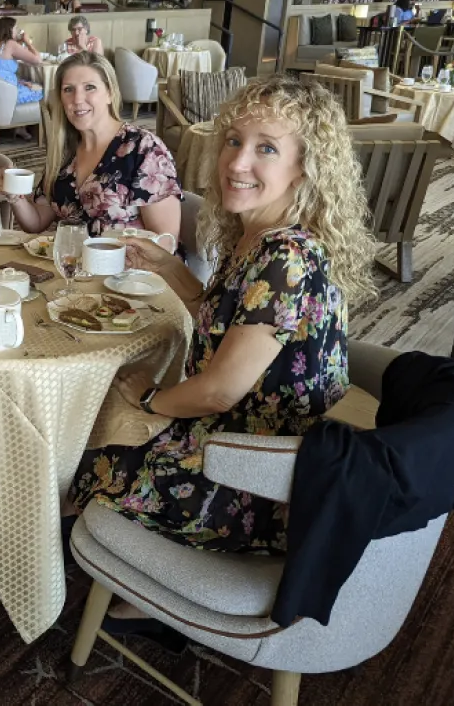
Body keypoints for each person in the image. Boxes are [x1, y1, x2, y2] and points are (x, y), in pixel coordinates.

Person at [67, 75, 378, 643]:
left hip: (259, 475)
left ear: (305, 168)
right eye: (233, 141)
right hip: (248, 439)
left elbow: (219, 391)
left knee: (93, 441)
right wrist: (167, 269)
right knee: (103, 417)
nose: (237, 161)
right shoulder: (262, 238)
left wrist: (150, 402)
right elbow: (221, 316)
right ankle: (135, 573)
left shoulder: (285, 257)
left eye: (266, 147)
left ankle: (153, 591)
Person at [2, 51, 181, 239]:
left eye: (90, 87)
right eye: (68, 89)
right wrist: (15, 197)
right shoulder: (64, 153)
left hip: (132, 267)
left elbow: (165, 242)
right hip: (71, 265)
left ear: (110, 94)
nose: (77, 99)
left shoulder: (144, 150)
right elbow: (37, 222)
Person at [0, 16, 44, 104]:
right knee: (41, 90)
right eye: (15, 28)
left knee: (27, 83)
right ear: (9, 30)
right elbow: (38, 60)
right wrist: (27, 42)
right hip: (6, 92)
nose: (17, 31)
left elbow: (0, 69)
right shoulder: (10, 44)